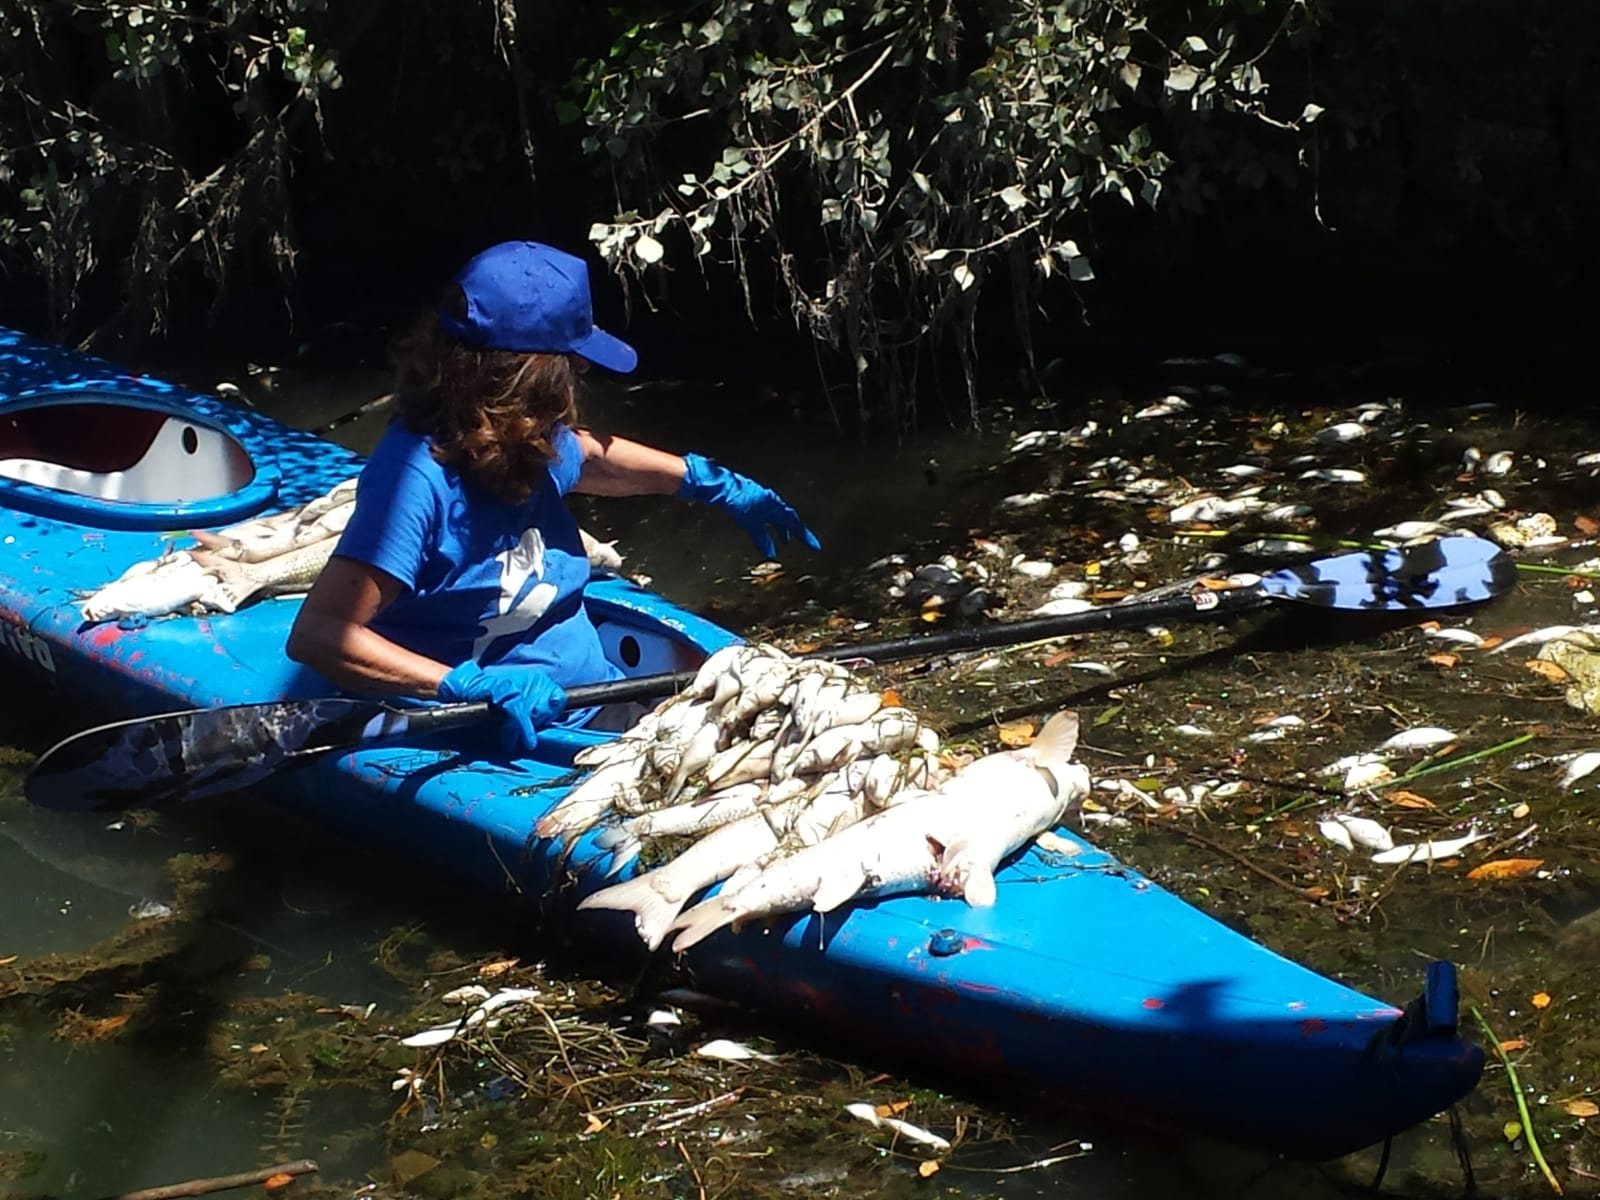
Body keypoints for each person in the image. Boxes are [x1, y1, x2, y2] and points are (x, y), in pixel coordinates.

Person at [286, 240, 819, 755]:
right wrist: (466, 685)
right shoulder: (416, 481)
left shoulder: (521, 437)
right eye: (572, 361)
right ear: (530, 376)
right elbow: (321, 633)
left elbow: (588, 456)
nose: (581, 374)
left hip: (597, 700)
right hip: (501, 732)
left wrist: (707, 482)